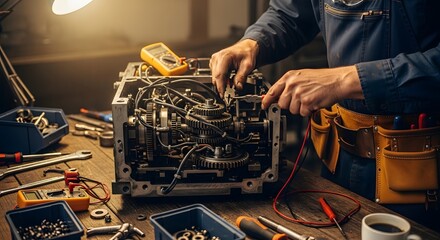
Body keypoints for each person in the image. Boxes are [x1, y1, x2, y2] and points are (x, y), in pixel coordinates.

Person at [210, 0, 440, 231]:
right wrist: (254, 42)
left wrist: (347, 80)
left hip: (418, 177)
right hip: (337, 162)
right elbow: (292, 13)